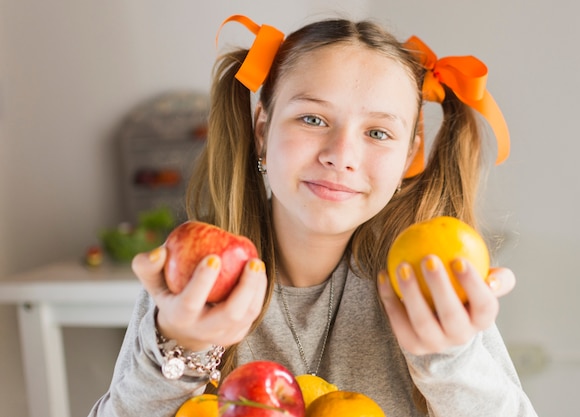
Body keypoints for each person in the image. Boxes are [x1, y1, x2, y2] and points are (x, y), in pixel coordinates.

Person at [89, 14, 537, 417]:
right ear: (262, 130)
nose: (341, 156)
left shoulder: (425, 286)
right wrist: (180, 351)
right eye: (313, 120)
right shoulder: (194, 284)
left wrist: (450, 360)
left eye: (378, 132)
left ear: (409, 155)